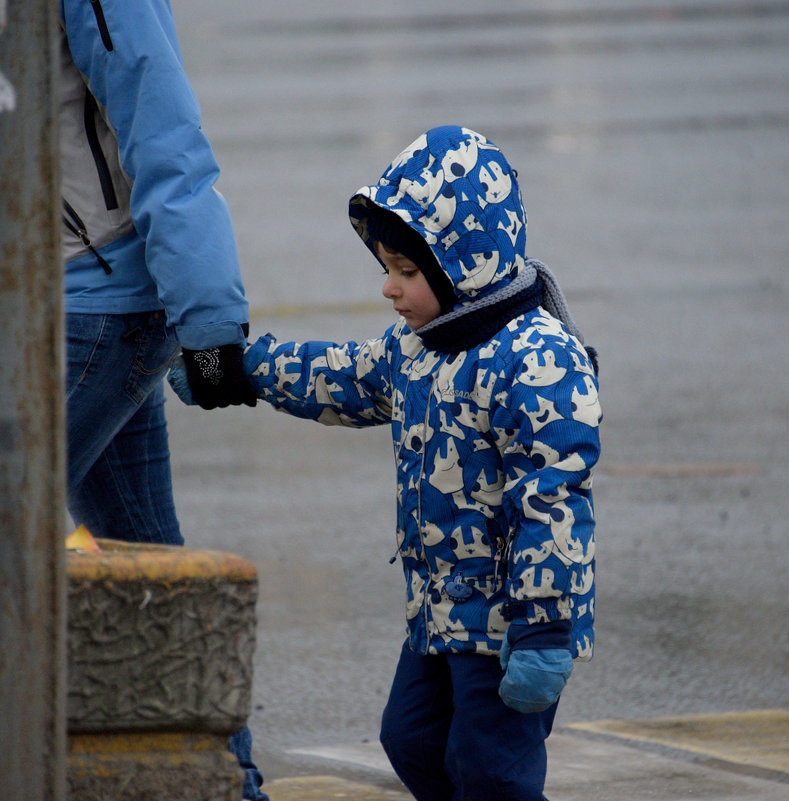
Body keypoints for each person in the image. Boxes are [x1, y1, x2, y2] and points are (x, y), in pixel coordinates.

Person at [171, 125, 601, 800]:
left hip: (510, 623)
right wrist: (233, 369)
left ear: (463, 263)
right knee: (412, 740)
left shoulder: (536, 358)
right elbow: (337, 376)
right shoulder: (418, 348)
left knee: (492, 770)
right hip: (439, 611)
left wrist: (543, 624)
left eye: (406, 272)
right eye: (385, 270)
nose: (388, 289)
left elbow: (551, 499)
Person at [58, 1, 265, 798]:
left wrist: (209, 324)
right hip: (60, 300)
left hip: (97, 307)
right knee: (146, 567)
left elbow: (162, 122)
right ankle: (230, 783)